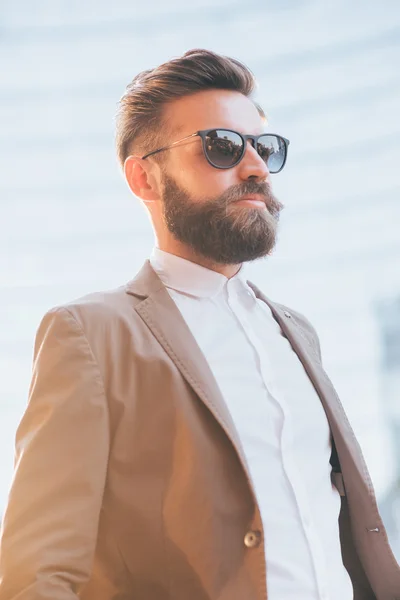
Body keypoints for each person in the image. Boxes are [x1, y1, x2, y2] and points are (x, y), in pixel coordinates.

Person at [0, 49, 398, 600]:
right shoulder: (90, 334)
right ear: (144, 177)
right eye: (222, 146)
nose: (256, 167)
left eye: (263, 148)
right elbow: (36, 573)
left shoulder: (296, 334)